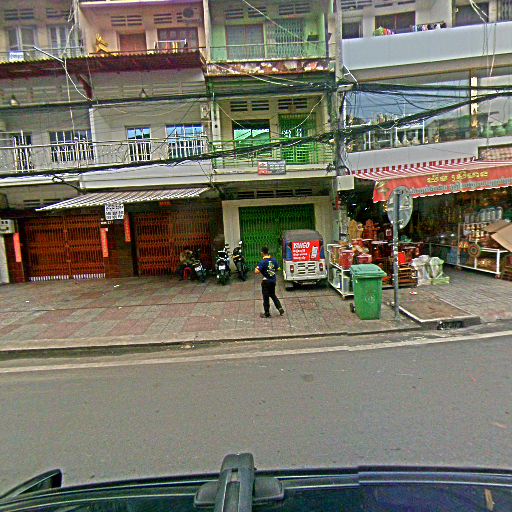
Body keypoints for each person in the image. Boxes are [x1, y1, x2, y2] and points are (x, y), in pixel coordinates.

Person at [255, 246, 285, 318]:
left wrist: (257, 268)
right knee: (273, 295)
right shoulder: (274, 260)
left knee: (266, 297)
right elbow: (278, 268)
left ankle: (267, 313)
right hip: (273, 281)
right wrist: (272, 271)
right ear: (268, 252)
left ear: (262, 253)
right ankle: (280, 307)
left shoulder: (262, 262)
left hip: (266, 282)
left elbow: (256, 271)